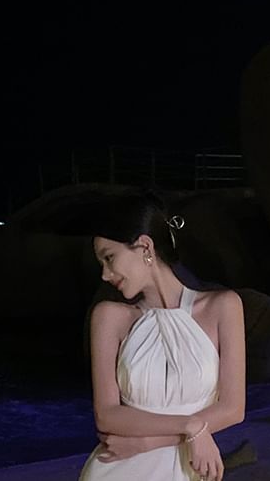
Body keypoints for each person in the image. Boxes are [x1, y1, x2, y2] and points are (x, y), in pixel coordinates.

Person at [78, 191, 246, 481]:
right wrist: (192, 428)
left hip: (190, 467)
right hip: (118, 470)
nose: (105, 274)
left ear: (145, 246)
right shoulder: (109, 316)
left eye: (109, 258)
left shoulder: (223, 306)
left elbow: (233, 409)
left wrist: (149, 442)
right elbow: (106, 415)